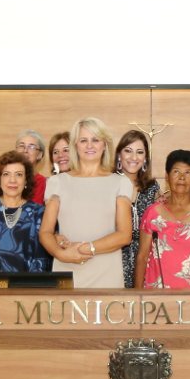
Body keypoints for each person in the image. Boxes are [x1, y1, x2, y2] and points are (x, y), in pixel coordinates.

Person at [39, 117, 134, 288]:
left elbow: (125, 235)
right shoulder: (57, 182)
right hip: (66, 270)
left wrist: (86, 249)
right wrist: (61, 255)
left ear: (104, 144)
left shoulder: (121, 183)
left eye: (95, 140)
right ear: (75, 145)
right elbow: (45, 232)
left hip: (107, 274)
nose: (89, 146)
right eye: (83, 140)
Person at [134, 149, 190, 289]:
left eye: (188, 172)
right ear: (167, 176)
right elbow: (142, 257)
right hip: (157, 297)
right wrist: (137, 296)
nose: (182, 177)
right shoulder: (153, 213)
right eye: (176, 172)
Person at [0, 151, 51, 287]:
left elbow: (40, 259)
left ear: (26, 180)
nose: (12, 180)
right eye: (6, 174)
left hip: (26, 292)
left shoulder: (38, 212)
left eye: (19, 175)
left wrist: (34, 293)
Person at [116, 129, 160, 288]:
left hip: (146, 261)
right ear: (118, 155)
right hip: (113, 260)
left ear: (145, 158)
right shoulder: (108, 183)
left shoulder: (152, 187)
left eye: (139, 152)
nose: (133, 158)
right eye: (128, 151)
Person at [15, 130, 48, 204]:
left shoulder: (43, 183)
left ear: (39, 154)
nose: (25, 150)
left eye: (31, 147)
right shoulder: (7, 179)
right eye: (21, 146)